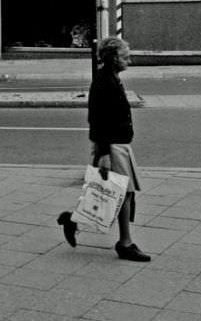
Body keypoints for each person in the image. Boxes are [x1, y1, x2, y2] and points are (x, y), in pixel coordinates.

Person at [57, 36, 151, 262]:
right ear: (113, 58)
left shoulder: (111, 77)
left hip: (119, 144)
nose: (129, 59)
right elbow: (97, 119)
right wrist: (105, 154)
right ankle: (125, 243)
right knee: (123, 193)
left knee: (108, 193)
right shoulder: (103, 81)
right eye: (125, 56)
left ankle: (73, 220)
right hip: (112, 146)